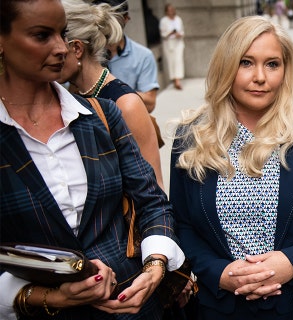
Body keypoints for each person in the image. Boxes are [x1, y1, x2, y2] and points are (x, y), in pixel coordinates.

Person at [0, 0, 185, 319]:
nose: (61, 48)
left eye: (62, 33)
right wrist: (53, 298)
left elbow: (152, 200)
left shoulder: (102, 115)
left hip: (135, 305)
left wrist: (155, 263)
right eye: (42, 35)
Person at [169, 15, 293, 319]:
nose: (260, 76)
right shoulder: (191, 138)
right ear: (226, 66)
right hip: (219, 309)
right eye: (246, 62)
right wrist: (219, 273)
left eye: (272, 64)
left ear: (285, 70)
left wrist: (291, 263)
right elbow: (183, 225)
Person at [58, 0, 164, 189]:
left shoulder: (126, 104)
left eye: (55, 39)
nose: (50, 51)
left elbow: (154, 189)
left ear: (77, 48)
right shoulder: (71, 93)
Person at [93, 0, 160, 113]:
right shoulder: (87, 54)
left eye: (113, 16)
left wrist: (114, 91)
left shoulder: (143, 55)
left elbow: (150, 103)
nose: (107, 23)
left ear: (126, 18)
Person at [159, 3, 185, 90]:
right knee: (171, 61)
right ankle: (174, 79)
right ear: (166, 11)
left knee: (178, 60)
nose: (171, 12)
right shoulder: (163, 21)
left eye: (172, 10)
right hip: (169, 43)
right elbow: (163, 34)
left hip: (178, 42)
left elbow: (182, 31)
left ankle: (178, 80)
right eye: (169, 10)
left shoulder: (178, 19)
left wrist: (178, 34)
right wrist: (170, 33)